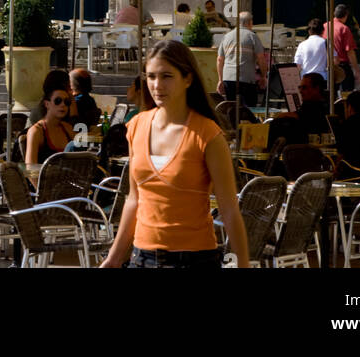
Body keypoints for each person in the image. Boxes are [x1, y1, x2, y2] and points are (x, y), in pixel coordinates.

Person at [101, 39, 250, 269]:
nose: (157, 85)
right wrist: (113, 258)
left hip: (194, 259)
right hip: (142, 258)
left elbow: (229, 208)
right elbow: (134, 199)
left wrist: (243, 264)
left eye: (167, 76)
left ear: (187, 79)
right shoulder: (137, 126)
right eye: (151, 77)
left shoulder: (207, 134)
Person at [217, 11, 267, 108]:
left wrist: (220, 79)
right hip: (247, 79)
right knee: (250, 110)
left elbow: (219, 59)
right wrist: (263, 76)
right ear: (250, 23)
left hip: (229, 79)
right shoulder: (252, 36)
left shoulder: (226, 37)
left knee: (231, 109)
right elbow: (261, 58)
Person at [25, 82, 75, 163]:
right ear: (47, 104)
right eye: (58, 101)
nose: (63, 105)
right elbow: (30, 166)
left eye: (67, 102)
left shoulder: (68, 128)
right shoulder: (36, 131)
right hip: (45, 175)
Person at [323, 4, 360, 93]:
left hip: (326, 66)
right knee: (346, 94)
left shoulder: (324, 26)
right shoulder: (344, 29)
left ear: (334, 14)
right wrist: (356, 70)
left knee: (330, 94)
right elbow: (350, 52)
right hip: (342, 68)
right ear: (346, 15)